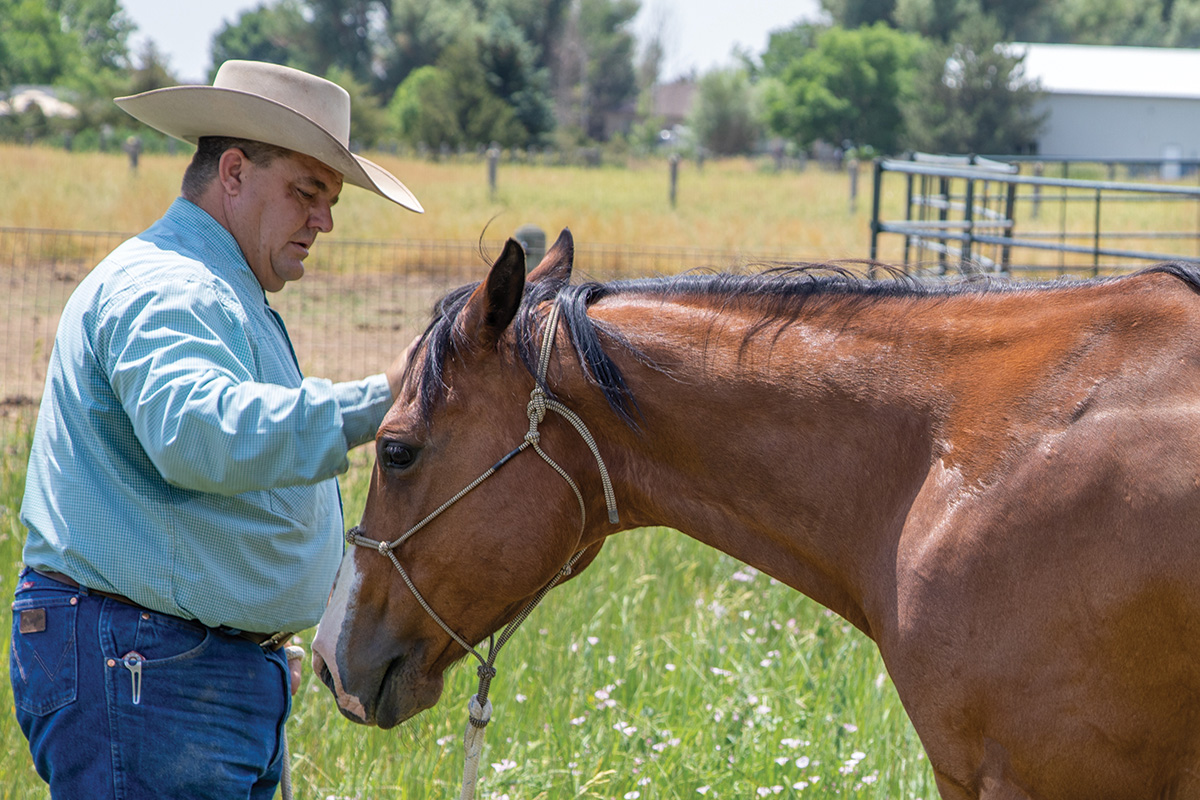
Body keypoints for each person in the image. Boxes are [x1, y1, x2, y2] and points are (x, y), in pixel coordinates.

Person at [9, 60, 422, 799]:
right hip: (148, 669)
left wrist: (255, 633)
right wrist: (385, 397)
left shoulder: (217, 288)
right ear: (233, 171)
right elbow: (200, 434)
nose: (324, 221)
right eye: (307, 193)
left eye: (329, 201)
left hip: (176, 668)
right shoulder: (171, 286)